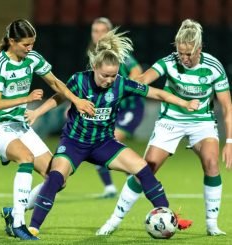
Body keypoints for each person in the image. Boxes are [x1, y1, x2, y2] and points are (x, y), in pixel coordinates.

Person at [22, 28, 199, 239]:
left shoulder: (121, 84)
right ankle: (32, 228)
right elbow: (59, 97)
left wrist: (184, 102)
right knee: (55, 177)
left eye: (113, 75)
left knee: (143, 169)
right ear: (95, 67)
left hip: (104, 144)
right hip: (74, 143)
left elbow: (156, 92)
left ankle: (170, 219)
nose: (109, 80)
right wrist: (37, 113)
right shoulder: (79, 80)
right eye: (105, 75)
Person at [96, 19, 232, 237]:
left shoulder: (214, 67)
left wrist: (230, 142)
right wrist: (121, 81)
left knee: (211, 162)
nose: (184, 58)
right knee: (145, 169)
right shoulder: (169, 62)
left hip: (202, 122)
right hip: (171, 120)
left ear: (199, 48)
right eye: (180, 53)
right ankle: (113, 221)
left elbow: (227, 106)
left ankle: (212, 224)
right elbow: (143, 80)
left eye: (189, 54)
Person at [0, 19, 94, 240]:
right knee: (25, 158)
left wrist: (76, 100)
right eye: (25, 44)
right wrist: (26, 98)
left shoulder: (32, 58)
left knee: (58, 178)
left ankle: (13, 212)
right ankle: (18, 224)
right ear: (12, 41)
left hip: (21, 126)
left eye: (32, 43)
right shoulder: (1, 64)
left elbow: (54, 82)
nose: (30, 48)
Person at [89, 17, 144, 198]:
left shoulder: (118, 55)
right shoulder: (94, 55)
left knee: (107, 141)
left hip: (129, 109)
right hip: (109, 110)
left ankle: (138, 179)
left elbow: (136, 70)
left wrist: (129, 86)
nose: (98, 35)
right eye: (95, 31)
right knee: (98, 142)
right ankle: (115, 186)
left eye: (102, 31)